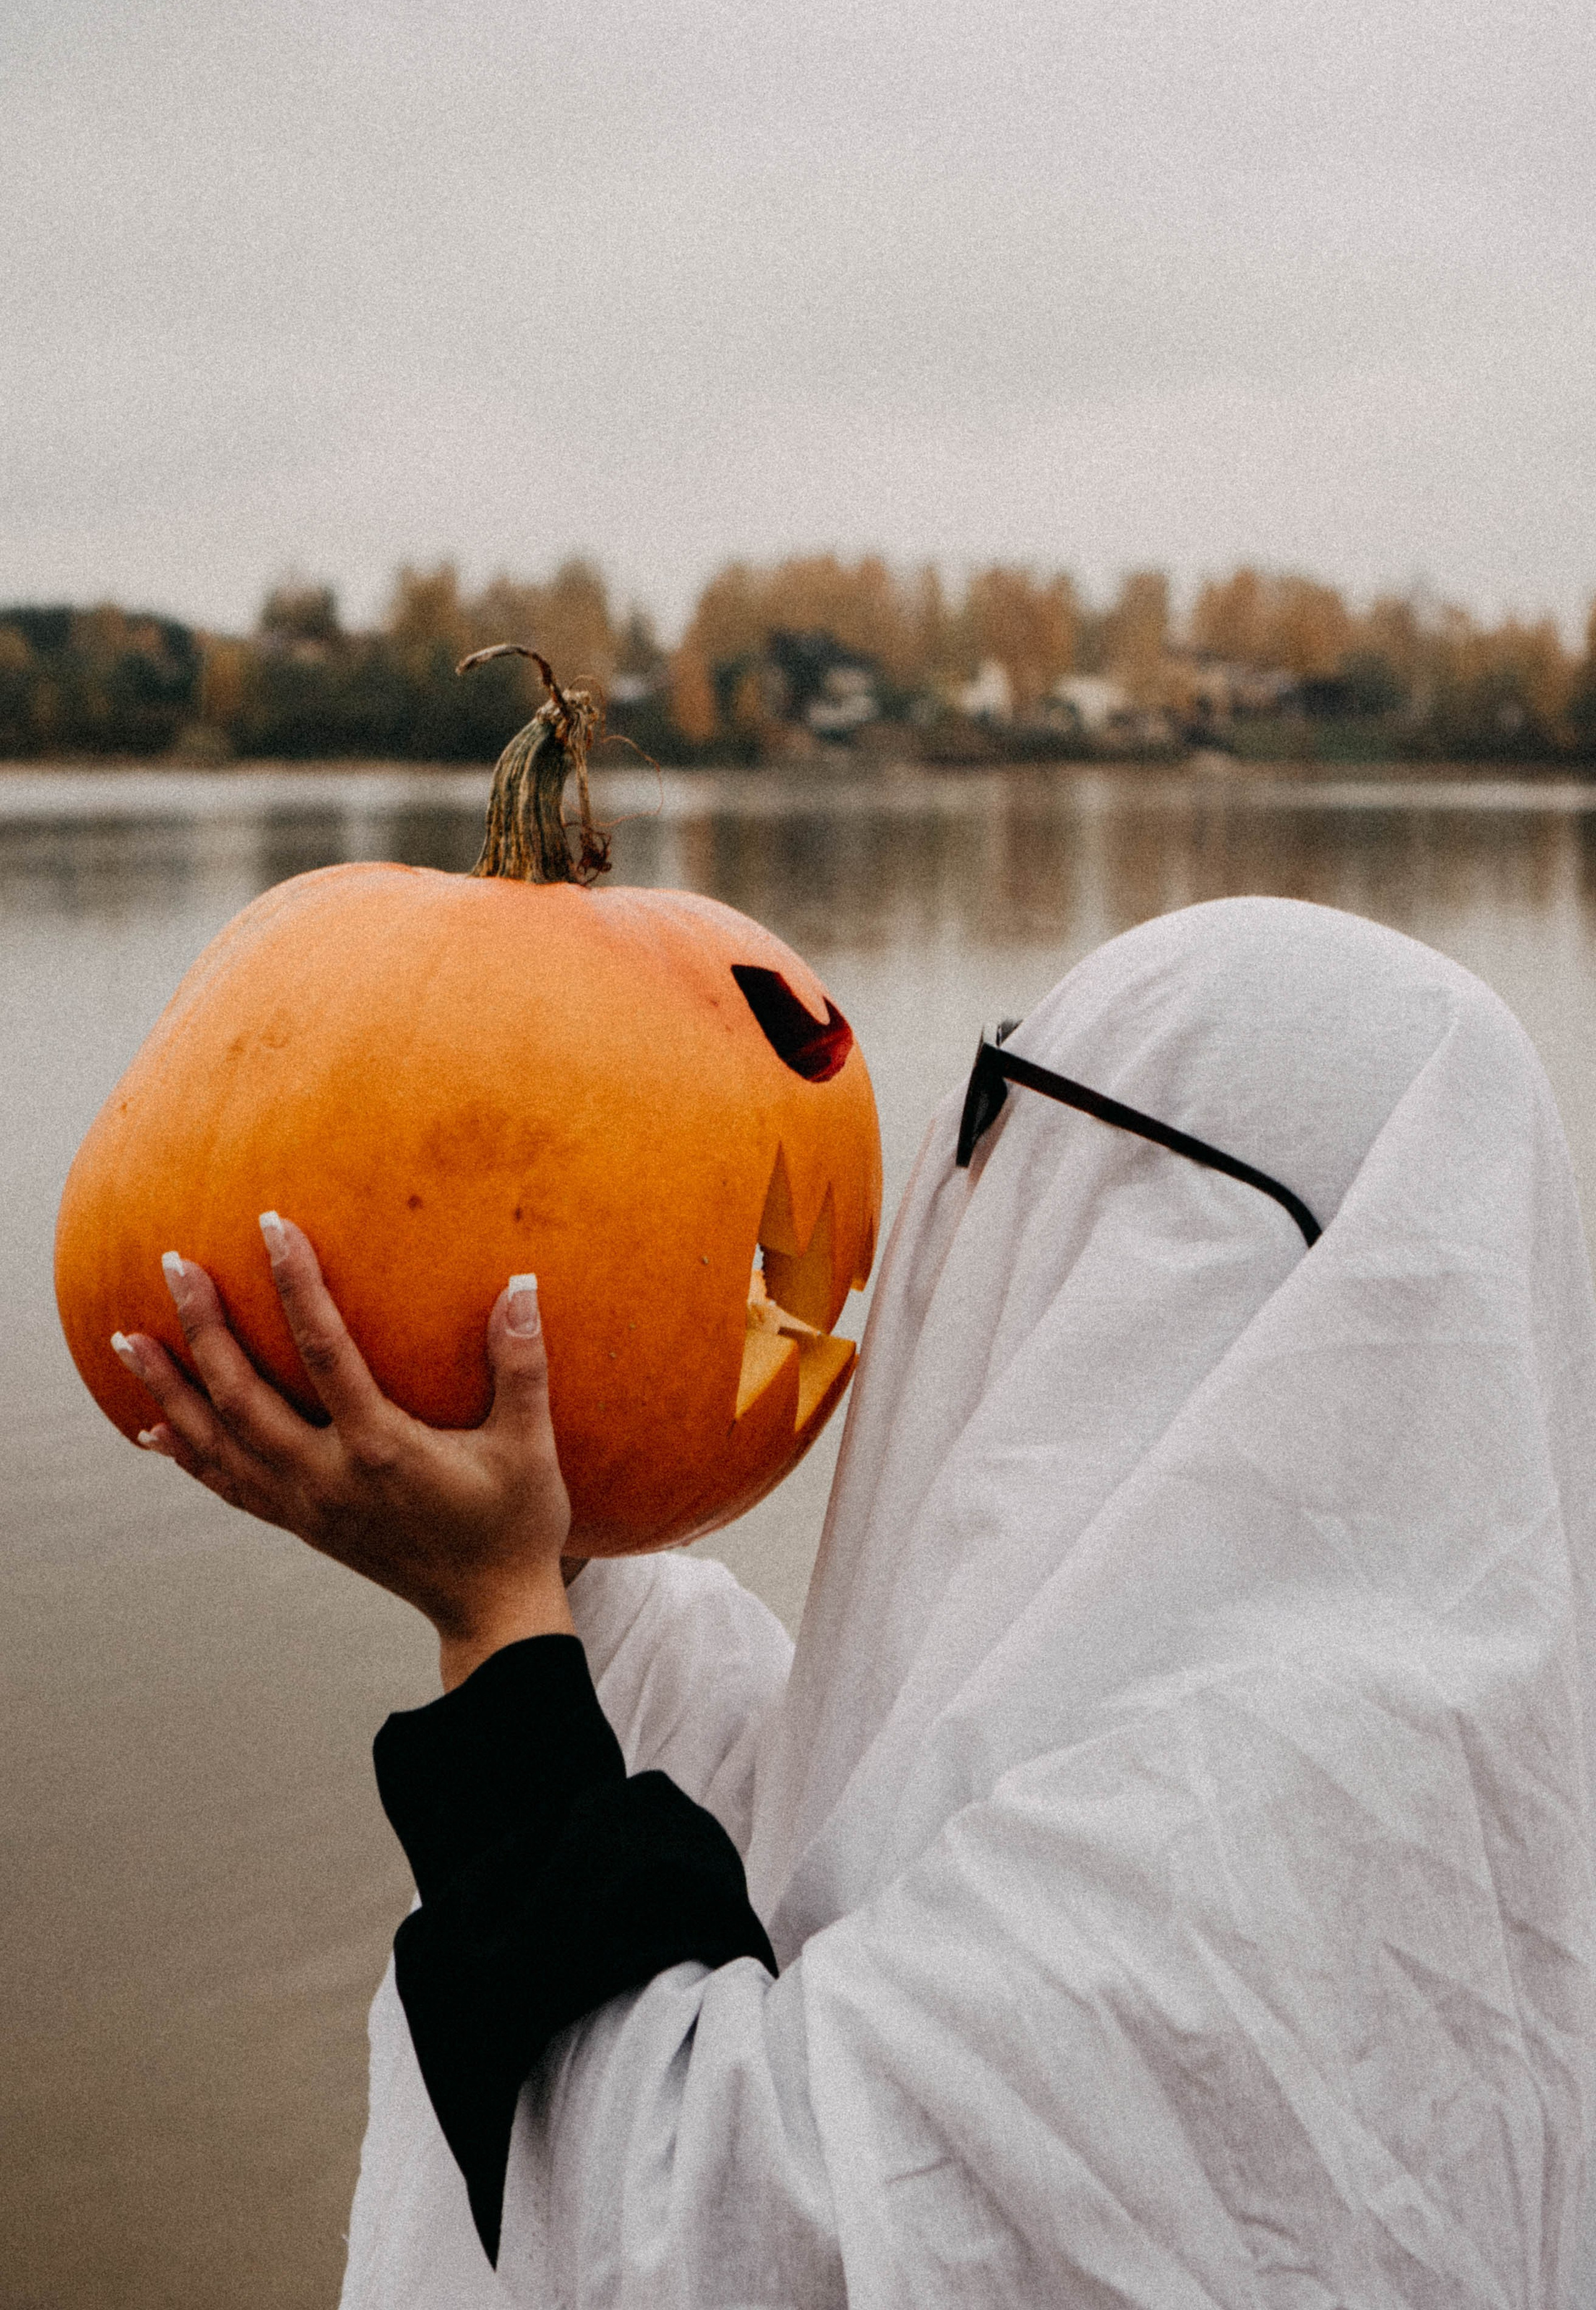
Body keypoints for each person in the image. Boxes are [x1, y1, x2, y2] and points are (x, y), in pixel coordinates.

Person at [115, 895, 1596, 2309]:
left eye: (1012, 1166)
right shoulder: (1411, 1723)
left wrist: (499, 1632)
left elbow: (726, 2239)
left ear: (1156, 1248)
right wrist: (526, 1553)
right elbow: (832, 1839)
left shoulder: (1245, 1810)